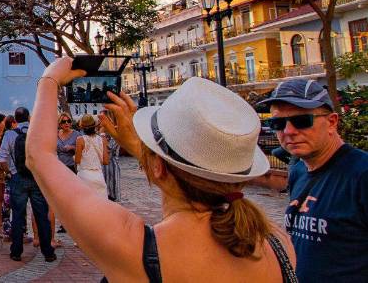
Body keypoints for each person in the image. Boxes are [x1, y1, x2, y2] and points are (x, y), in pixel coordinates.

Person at [28, 59, 296, 282]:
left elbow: (39, 156)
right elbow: (190, 180)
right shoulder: (276, 241)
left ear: (159, 167)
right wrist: (145, 149)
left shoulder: (139, 249)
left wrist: (49, 80)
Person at [258, 78, 368, 282]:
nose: (289, 131)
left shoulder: (361, 174)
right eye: (278, 123)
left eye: (302, 121)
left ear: (332, 122)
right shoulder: (299, 170)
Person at [0, 107, 56, 263]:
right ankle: (48, 252)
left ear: (15, 120)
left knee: (17, 216)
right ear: (29, 118)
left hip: (17, 178)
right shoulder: (38, 133)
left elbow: (2, 158)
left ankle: (16, 251)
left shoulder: (10, 134)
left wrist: (10, 173)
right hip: (36, 177)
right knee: (42, 216)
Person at [75, 114, 109, 196]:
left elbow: (77, 160)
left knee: (84, 204)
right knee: (100, 204)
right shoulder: (102, 140)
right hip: (98, 176)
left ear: (82, 127)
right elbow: (106, 161)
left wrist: (73, 157)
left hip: (84, 175)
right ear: (94, 126)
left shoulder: (80, 140)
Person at [103, 132, 121, 202]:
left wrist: (102, 138)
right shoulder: (101, 136)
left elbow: (110, 147)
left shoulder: (115, 137)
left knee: (114, 186)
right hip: (103, 165)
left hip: (113, 165)